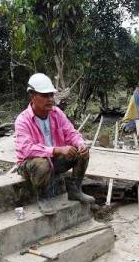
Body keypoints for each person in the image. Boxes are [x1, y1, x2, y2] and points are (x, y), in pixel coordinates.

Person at [14, 73, 95, 215]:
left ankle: (75, 190)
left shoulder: (56, 113)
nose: (50, 99)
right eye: (45, 96)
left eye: (51, 95)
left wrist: (81, 144)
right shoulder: (23, 120)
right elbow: (27, 149)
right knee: (41, 163)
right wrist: (57, 150)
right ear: (32, 96)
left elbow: (71, 133)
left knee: (81, 152)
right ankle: (43, 197)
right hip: (29, 165)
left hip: (53, 160)